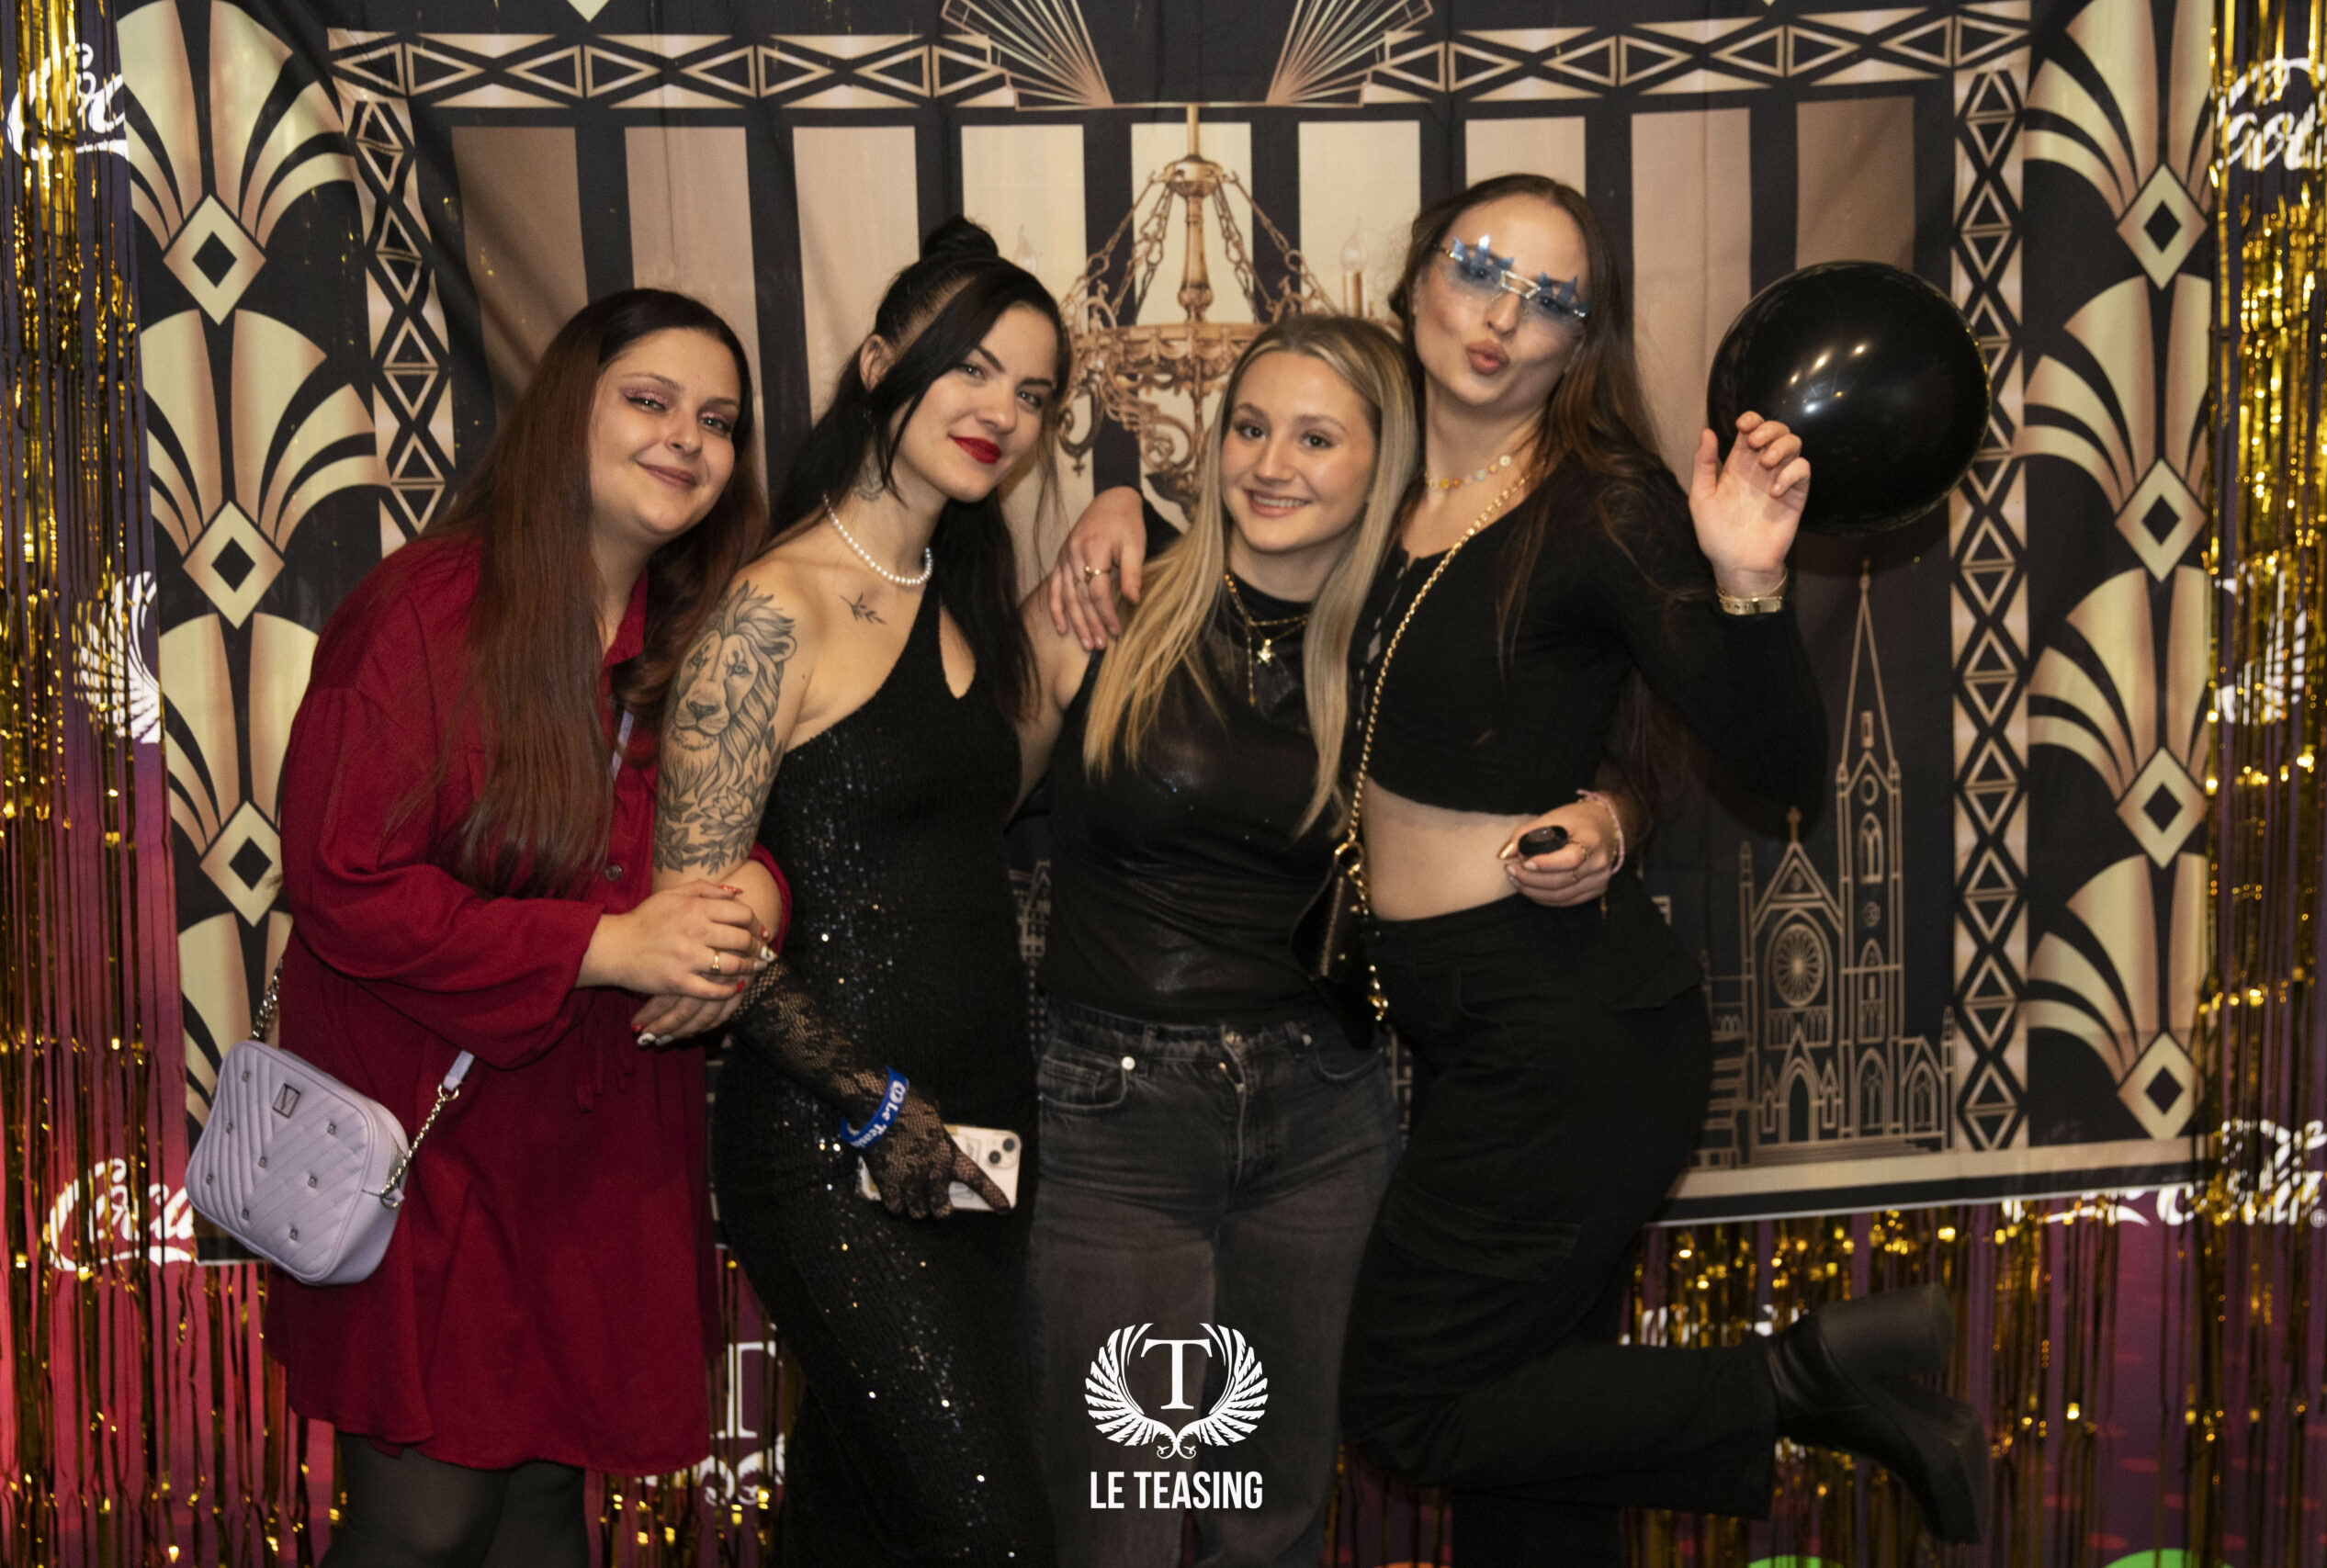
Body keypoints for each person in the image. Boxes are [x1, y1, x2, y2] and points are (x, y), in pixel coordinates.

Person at [1050, 175, 1989, 1563]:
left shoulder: (1605, 507)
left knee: (1407, 1403)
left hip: (1570, 1030)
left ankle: (1802, 1381)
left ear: (1582, 340)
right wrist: (1124, 509)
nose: (1501, 317)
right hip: (1455, 1026)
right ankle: (1811, 1384)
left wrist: (1747, 582)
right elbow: (1253, 537)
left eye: (1550, 299)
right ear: (1418, 275)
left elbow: (1778, 761)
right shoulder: (1384, 475)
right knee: (1530, 1459)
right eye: (1480, 268)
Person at [1019, 314, 1636, 1566]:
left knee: (1276, 1518)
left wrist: (1614, 816)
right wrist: (1116, 506)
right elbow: (947, 801)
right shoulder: (1109, 599)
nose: (1269, 464)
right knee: (1117, 1528)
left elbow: (1598, 738)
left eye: (1315, 438)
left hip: (1324, 1115)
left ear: (1384, 463)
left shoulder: (1407, 649)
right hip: (1116, 1118)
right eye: (1249, 428)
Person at [269, 288, 787, 1568]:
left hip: (596, 1149)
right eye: (651, 401)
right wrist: (604, 949)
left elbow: (745, 831)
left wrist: (757, 899)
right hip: (429, 1140)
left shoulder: (701, 633)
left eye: (719, 421)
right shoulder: (427, 609)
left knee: (548, 1507)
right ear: (567, 411)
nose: (688, 439)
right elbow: (344, 881)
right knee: (428, 1521)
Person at [650, 219, 1066, 1563]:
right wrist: (871, 1101)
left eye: (1034, 392)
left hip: (979, 1141)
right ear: (881, 364)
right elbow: (695, 932)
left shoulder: (962, 595)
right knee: (994, 1539)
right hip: (834, 1144)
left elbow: (950, 837)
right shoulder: (774, 610)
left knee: (861, 1533)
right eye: (973, 369)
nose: (1001, 411)